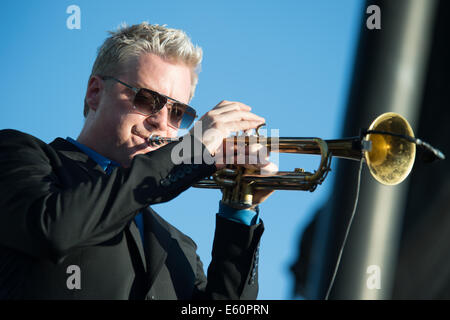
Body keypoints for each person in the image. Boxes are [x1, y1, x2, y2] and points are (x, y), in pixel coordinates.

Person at [0, 22, 276, 299]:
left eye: (177, 112)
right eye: (146, 99)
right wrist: (188, 151)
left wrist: (240, 205)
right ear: (95, 92)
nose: (161, 122)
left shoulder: (178, 246)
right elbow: (53, 230)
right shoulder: (18, 152)